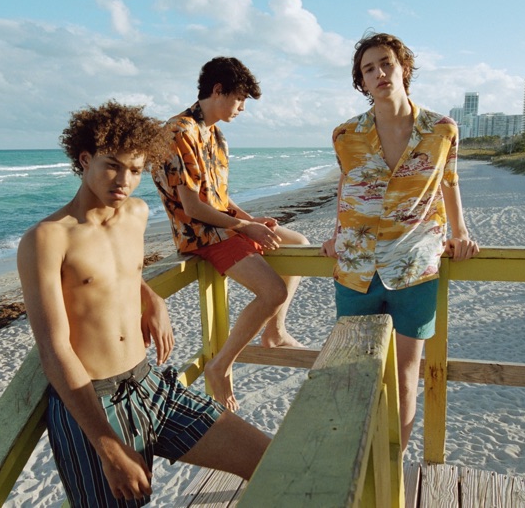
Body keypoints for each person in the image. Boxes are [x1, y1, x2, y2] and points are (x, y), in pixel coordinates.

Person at [17, 101, 270, 507]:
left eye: (136, 170)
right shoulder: (47, 239)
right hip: (92, 404)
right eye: (112, 165)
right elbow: (53, 348)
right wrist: (108, 448)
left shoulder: (135, 213)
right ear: (85, 160)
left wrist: (149, 296)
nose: (124, 180)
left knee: (269, 457)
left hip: (151, 384)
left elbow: (121, 272)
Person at [321, 33, 479, 450]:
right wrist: (337, 234)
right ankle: (357, 467)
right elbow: (347, 185)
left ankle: (392, 470)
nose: (379, 73)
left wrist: (460, 232)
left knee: (407, 377)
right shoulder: (345, 134)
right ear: (362, 82)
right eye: (368, 69)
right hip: (356, 271)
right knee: (354, 376)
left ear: (403, 67)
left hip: (415, 266)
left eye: (385, 63)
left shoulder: (442, 129)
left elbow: (449, 181)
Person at [151, 56, 310, 412]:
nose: (242, 108)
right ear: (218, 90)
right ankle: (219, 365)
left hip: (224, 227)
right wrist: (242, 226)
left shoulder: (215, 135)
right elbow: (193, 208)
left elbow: (221, 199)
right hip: (202, 237)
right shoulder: (179, 132)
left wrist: (253, 220)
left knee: (298, 243)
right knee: (273, 291)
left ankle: (274, 332)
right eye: (239, 99)